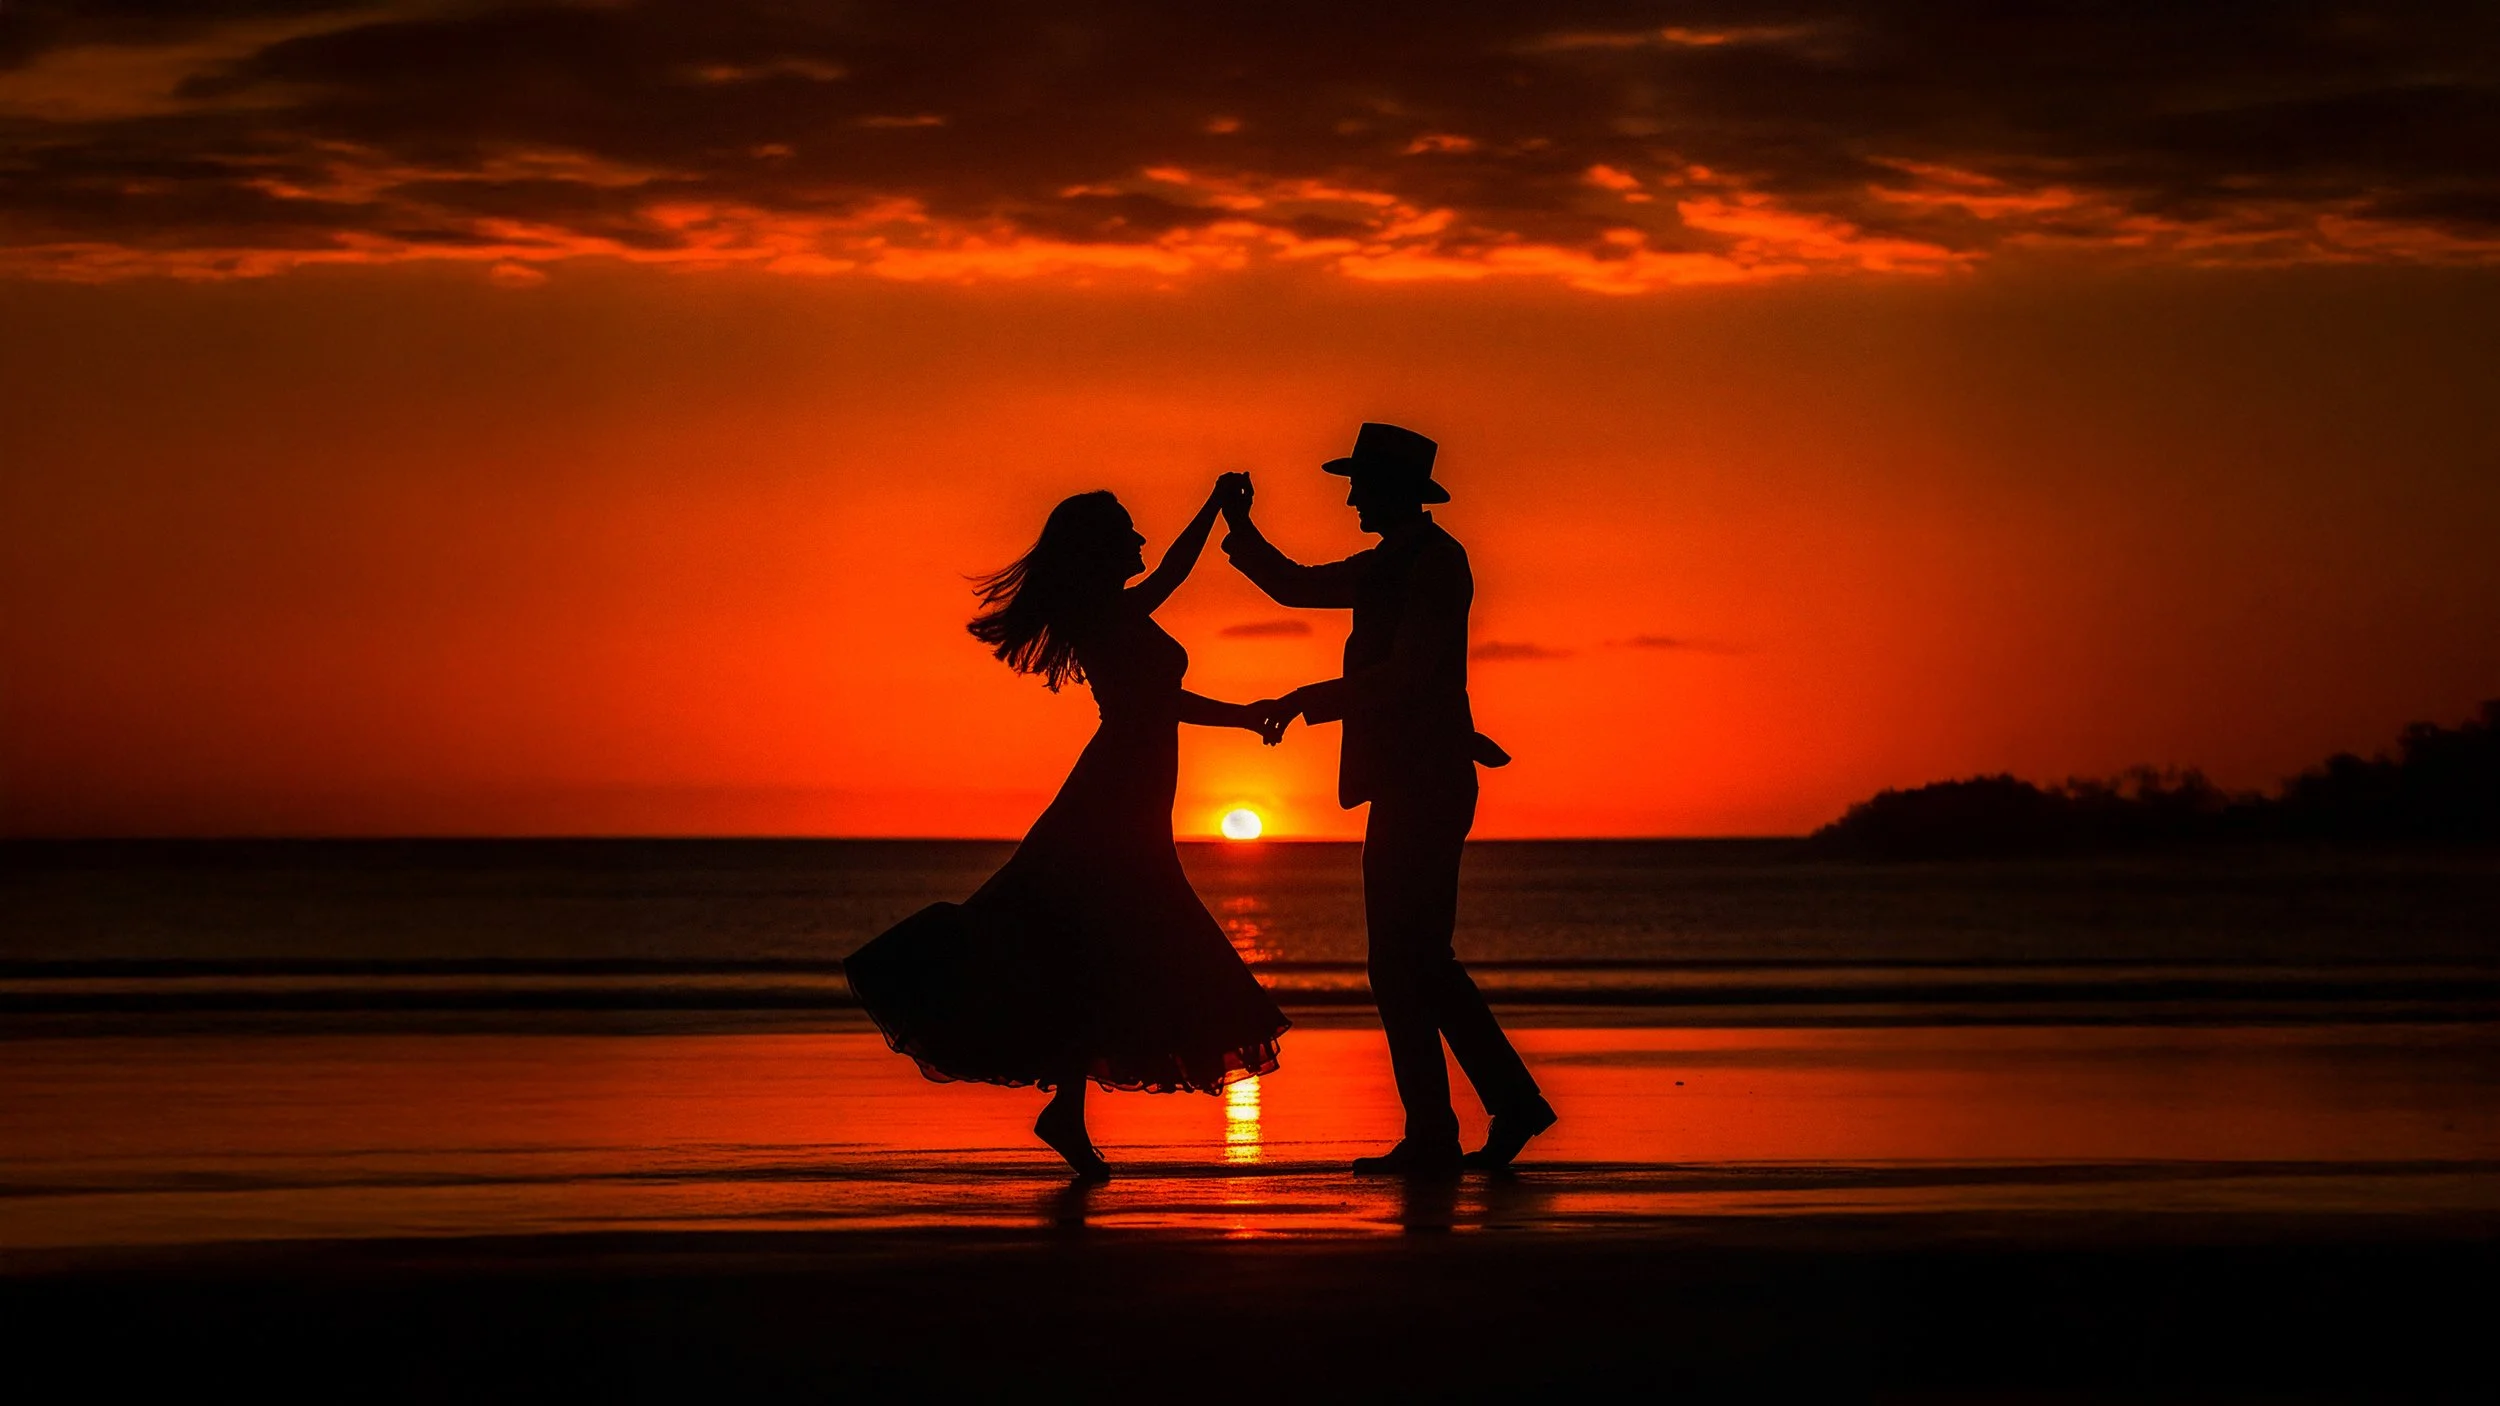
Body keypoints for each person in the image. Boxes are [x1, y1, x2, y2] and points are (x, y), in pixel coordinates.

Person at [843, 476, 1291, 1178]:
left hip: (1133, 793)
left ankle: (1068, 1110)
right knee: (1098, 936)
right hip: (1114, 794)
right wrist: (1243, 713)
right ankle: (1062, 1104)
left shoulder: (1114, 610)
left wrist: (1213, 509)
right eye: (1129, 531)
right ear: (1101, 547)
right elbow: (1156, 697)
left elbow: (1169, 587)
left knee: (1094, 945)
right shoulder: (1101, 616)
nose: (1141, 540)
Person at [1224, 424, 1556, 1175]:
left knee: (1405, 961)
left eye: (1359, 484)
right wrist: (1239, 527)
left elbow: (1409, 674)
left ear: (1391, 490)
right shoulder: (1391, 563)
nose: (1349, 497)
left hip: (1425, 781)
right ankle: (1490, 1110)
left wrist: (1309, 697)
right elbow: (1298, 586)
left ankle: (1452, 1126)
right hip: (1412, 777)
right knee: (1414, 962)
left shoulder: (1434, 564)